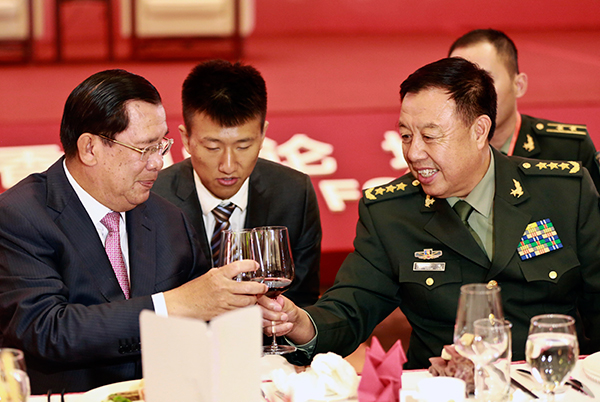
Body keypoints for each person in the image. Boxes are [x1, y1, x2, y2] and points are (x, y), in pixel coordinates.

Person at [259, 57, 600, 370]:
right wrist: (300, 323)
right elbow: (350, 307)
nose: (413, 152)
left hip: (553, 383)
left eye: (430, 136)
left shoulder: (563, 193)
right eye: (406, 136)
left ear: (479, 131)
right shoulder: (391, 213)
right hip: (443, 389)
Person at [0, 69, 267, 394]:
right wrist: (168, 306)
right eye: (144, 149)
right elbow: (46, 330)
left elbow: (203, 315)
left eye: (161, 145)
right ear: (90, 148)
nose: (158, 163)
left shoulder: (168, 219)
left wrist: (245, 314)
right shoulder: (21, 216)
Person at [152, 59, 321, 307]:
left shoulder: (293, 193)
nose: (228, 165)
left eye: (243, 146)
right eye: (213, 147)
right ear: (186, 139)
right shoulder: (154, 198)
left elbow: (303, 298)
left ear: (262, 136)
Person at [448, 28, 600, 190]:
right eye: (458, 85)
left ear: (518, 85)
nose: (469, 95)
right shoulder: (438, 152)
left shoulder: (569, 150)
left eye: (485, 81)